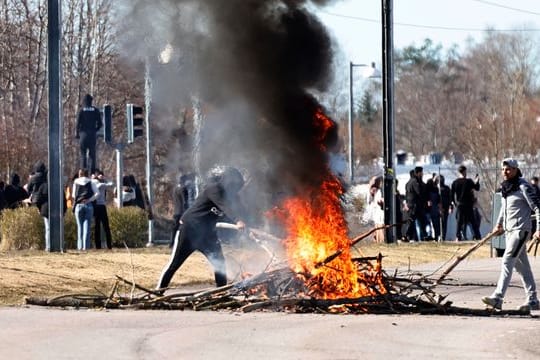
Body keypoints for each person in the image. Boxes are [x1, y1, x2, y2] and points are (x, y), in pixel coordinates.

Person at [157, 166, 246, 292]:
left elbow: (235, 212)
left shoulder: (230, 197)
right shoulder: (214, 189)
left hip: (207, 234)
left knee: (219, 262)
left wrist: (247, 227)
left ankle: (221, 293)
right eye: (235, 186)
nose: (235, 191)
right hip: (189, 230)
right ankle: (158, 291)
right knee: (174, 264)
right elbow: (225, 207)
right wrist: (238, 220)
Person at [482, 158, 540, 311]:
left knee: (507, 260)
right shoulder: (506, 188)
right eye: (503, 169)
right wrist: (499, 224)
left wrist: (539, 229)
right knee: (522, 268)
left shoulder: (523, 187)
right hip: (509, 231)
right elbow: (503, 208)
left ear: (515, 169)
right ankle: (533, 299)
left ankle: (498, 297)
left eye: (508, 169)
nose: (504, 172)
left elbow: (537, 208)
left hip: (521, 231)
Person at [451, 165, 481, 240]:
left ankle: (458, 236)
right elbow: (477, 188)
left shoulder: (455, 182)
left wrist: (454, 203)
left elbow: (451, 194)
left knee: (459, 222)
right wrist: (477, 181)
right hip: (468, 205)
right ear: (464, 172)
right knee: (473, 221)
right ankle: (477, 236)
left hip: (460, 205)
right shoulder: (469, 181)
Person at [72, 168, 99, 250]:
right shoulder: (91, 181)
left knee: (79, 227)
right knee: (86, 228)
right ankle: (85, 247)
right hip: (88, 205)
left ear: (80, 174)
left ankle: (79, 247)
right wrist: (89, 199)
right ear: (87, 174)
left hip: (79, 205)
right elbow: (97, 193)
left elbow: (73, 195)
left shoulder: (76, 182)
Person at [76, 94, 102, 174]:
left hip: (83, 135)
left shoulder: (81, 110)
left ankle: (83, 172)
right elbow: (100, 124)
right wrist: (95, 130)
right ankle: (92, 173)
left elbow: (77, 124)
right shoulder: (95, 110)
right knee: (92, 155)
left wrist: (77, 134)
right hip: (92, 135)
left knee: (83, 154)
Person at [169, 173, 196, 247]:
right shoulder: (183, 189)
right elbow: (185, 202)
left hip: (176, 212)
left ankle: (172, 243)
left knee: (174, 228)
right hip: (182, 212)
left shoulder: (175, 189)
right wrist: (187, 211)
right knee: (185, 228)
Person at [92, 170, 114, 249]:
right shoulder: (96, 183)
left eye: (102, 175)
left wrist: (104, 179)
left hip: (101, 206)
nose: (100, 176)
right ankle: (99, 245)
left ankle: (108, 245)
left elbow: (111, 184)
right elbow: (110, 184)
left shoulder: (102, 182)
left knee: (105, 226)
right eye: (99, 175)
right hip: (98, 206)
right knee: (98, 226)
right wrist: (102, 180)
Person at [437, 175, 452, 241]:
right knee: (437, 223)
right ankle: (437, 236)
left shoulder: (447, 188)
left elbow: (450, 199)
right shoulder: (436, 188)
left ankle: (443, 237)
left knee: (444, 223)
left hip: (445, 208)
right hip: (437, 208)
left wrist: (450, 207)